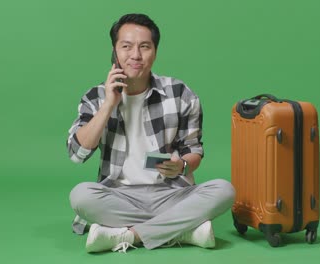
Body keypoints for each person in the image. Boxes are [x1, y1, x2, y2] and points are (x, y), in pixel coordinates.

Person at [67, 13, 235, 253]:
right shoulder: (96, 97)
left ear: (154, 51)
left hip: (171, 194)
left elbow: (193, 150)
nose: (135, 55)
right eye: (126, 47)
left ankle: (129, 235)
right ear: (115, 51)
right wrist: (108, 105)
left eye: (144, 47)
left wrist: (182, 167)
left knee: (224, 190)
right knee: (81, 196)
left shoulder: (179, 93)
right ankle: (184, 230)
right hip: (119, 196)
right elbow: (77, 154)